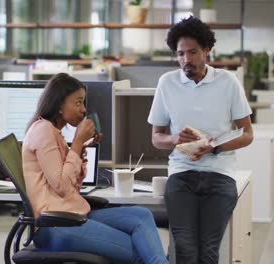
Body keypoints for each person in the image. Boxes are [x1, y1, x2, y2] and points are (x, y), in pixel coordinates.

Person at [22, 73, 168, 264]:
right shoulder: (44, 130)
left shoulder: (54, 132)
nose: (83, 110)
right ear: (59, 105)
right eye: (78, 103)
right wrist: (76, 143)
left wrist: (80, 150)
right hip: (56, 225)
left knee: (142, 215)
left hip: (72, 214)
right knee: (141, 251)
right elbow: (61, 186)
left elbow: (72, 188)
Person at [147, 16, 254, 264]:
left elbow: (247, 134)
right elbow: (156, 138)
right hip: (181, 175)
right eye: (181, 53)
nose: (186, 59)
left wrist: (213, 148)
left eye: (193, 52)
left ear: (206, 50)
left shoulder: (228, 82)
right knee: (184, 247)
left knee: (207, 250)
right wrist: (175, 139)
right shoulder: (167, 83)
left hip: (220, 175)